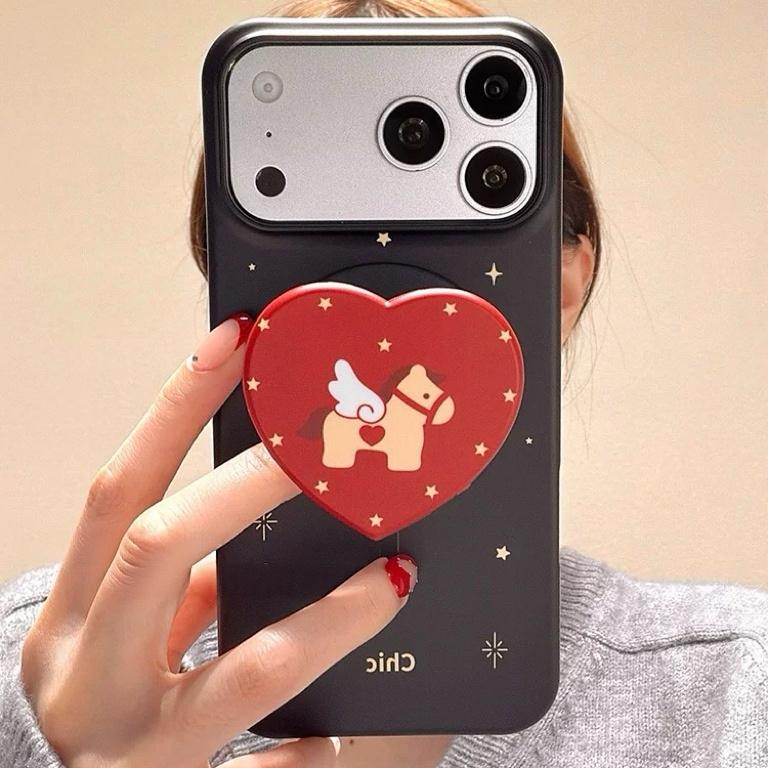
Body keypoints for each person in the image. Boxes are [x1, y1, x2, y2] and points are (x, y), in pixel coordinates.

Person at [1, 0, 766, 766]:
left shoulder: (735, 690)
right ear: (226, 286)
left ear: (563, 286)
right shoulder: (36, 677)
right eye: (325, 263)